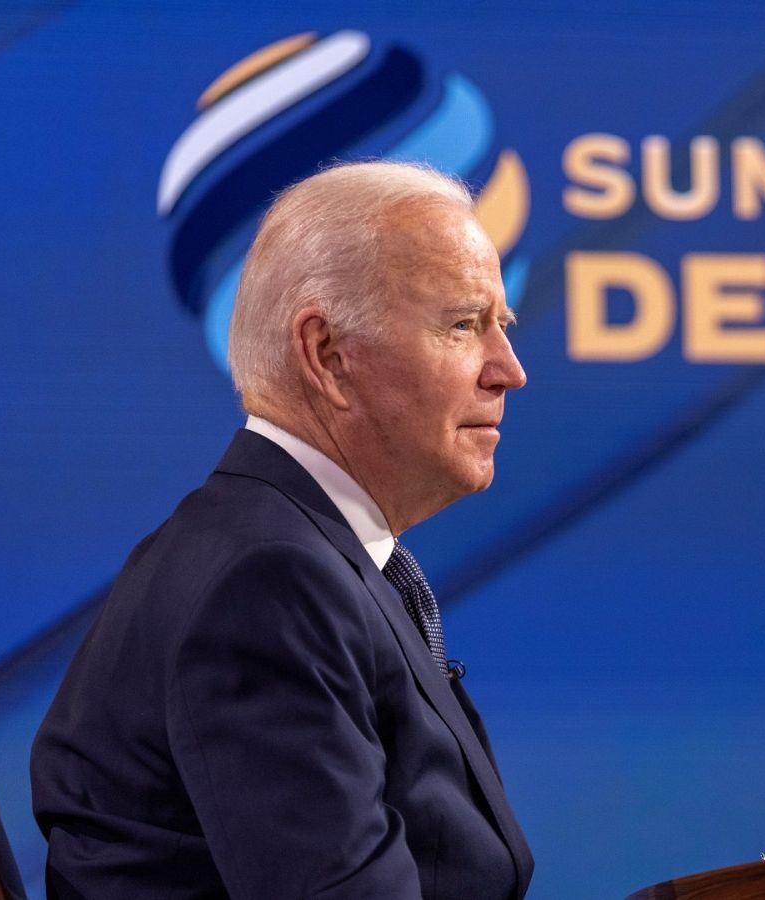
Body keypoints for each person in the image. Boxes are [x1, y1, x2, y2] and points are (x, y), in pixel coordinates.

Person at [30, 161, 533, 898]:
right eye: (464, 325)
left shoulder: (287, 551)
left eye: (502, 326)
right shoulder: (268, 583)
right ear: (328, 356)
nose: (508, 370)